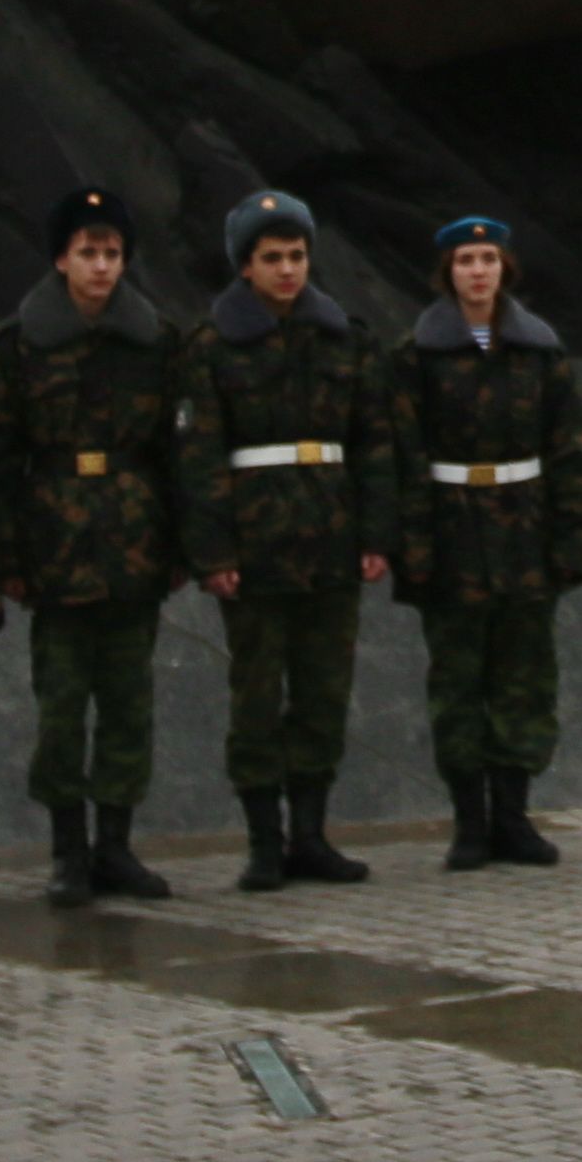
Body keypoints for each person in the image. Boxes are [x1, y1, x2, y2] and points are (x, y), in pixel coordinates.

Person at [0, 187, 228, 904]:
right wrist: (7, 558)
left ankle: (116, 844)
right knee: (62, 703)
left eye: (112, 252)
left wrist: (185, 547)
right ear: (61, 259)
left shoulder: (155, 340)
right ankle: (68, 850)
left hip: (133, 541)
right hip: (54, 545)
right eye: (87, 252)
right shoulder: (18, 342)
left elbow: (181, 452)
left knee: (128, 702)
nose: (100, 265)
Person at [195, 189, 399, 890]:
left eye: (297, 254)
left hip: (331, 540)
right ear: (245, 266)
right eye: (272, 257)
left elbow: (374, 443)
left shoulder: (345, 336)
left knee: (322, 693)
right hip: (254, 550)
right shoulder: (214, 344)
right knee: (256, 695)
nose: (287, 268)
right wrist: (215, 554)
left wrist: (375, 536)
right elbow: (199, 458)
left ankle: (310, 833)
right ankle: (263, 840)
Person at [390, 213, 582, 869]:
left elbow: (571, 450)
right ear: (446, 273)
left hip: (524, 533)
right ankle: (469, 821)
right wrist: (414, 548)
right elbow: (403, 454)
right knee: (457, 683)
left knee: (524, 681)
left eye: (487, 258)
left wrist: (573, 537)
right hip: (453, 534)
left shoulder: (538, 350)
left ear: (505, 267)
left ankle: (513, 815)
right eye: (464, 260)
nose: (477, 270)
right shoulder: (418, 353)